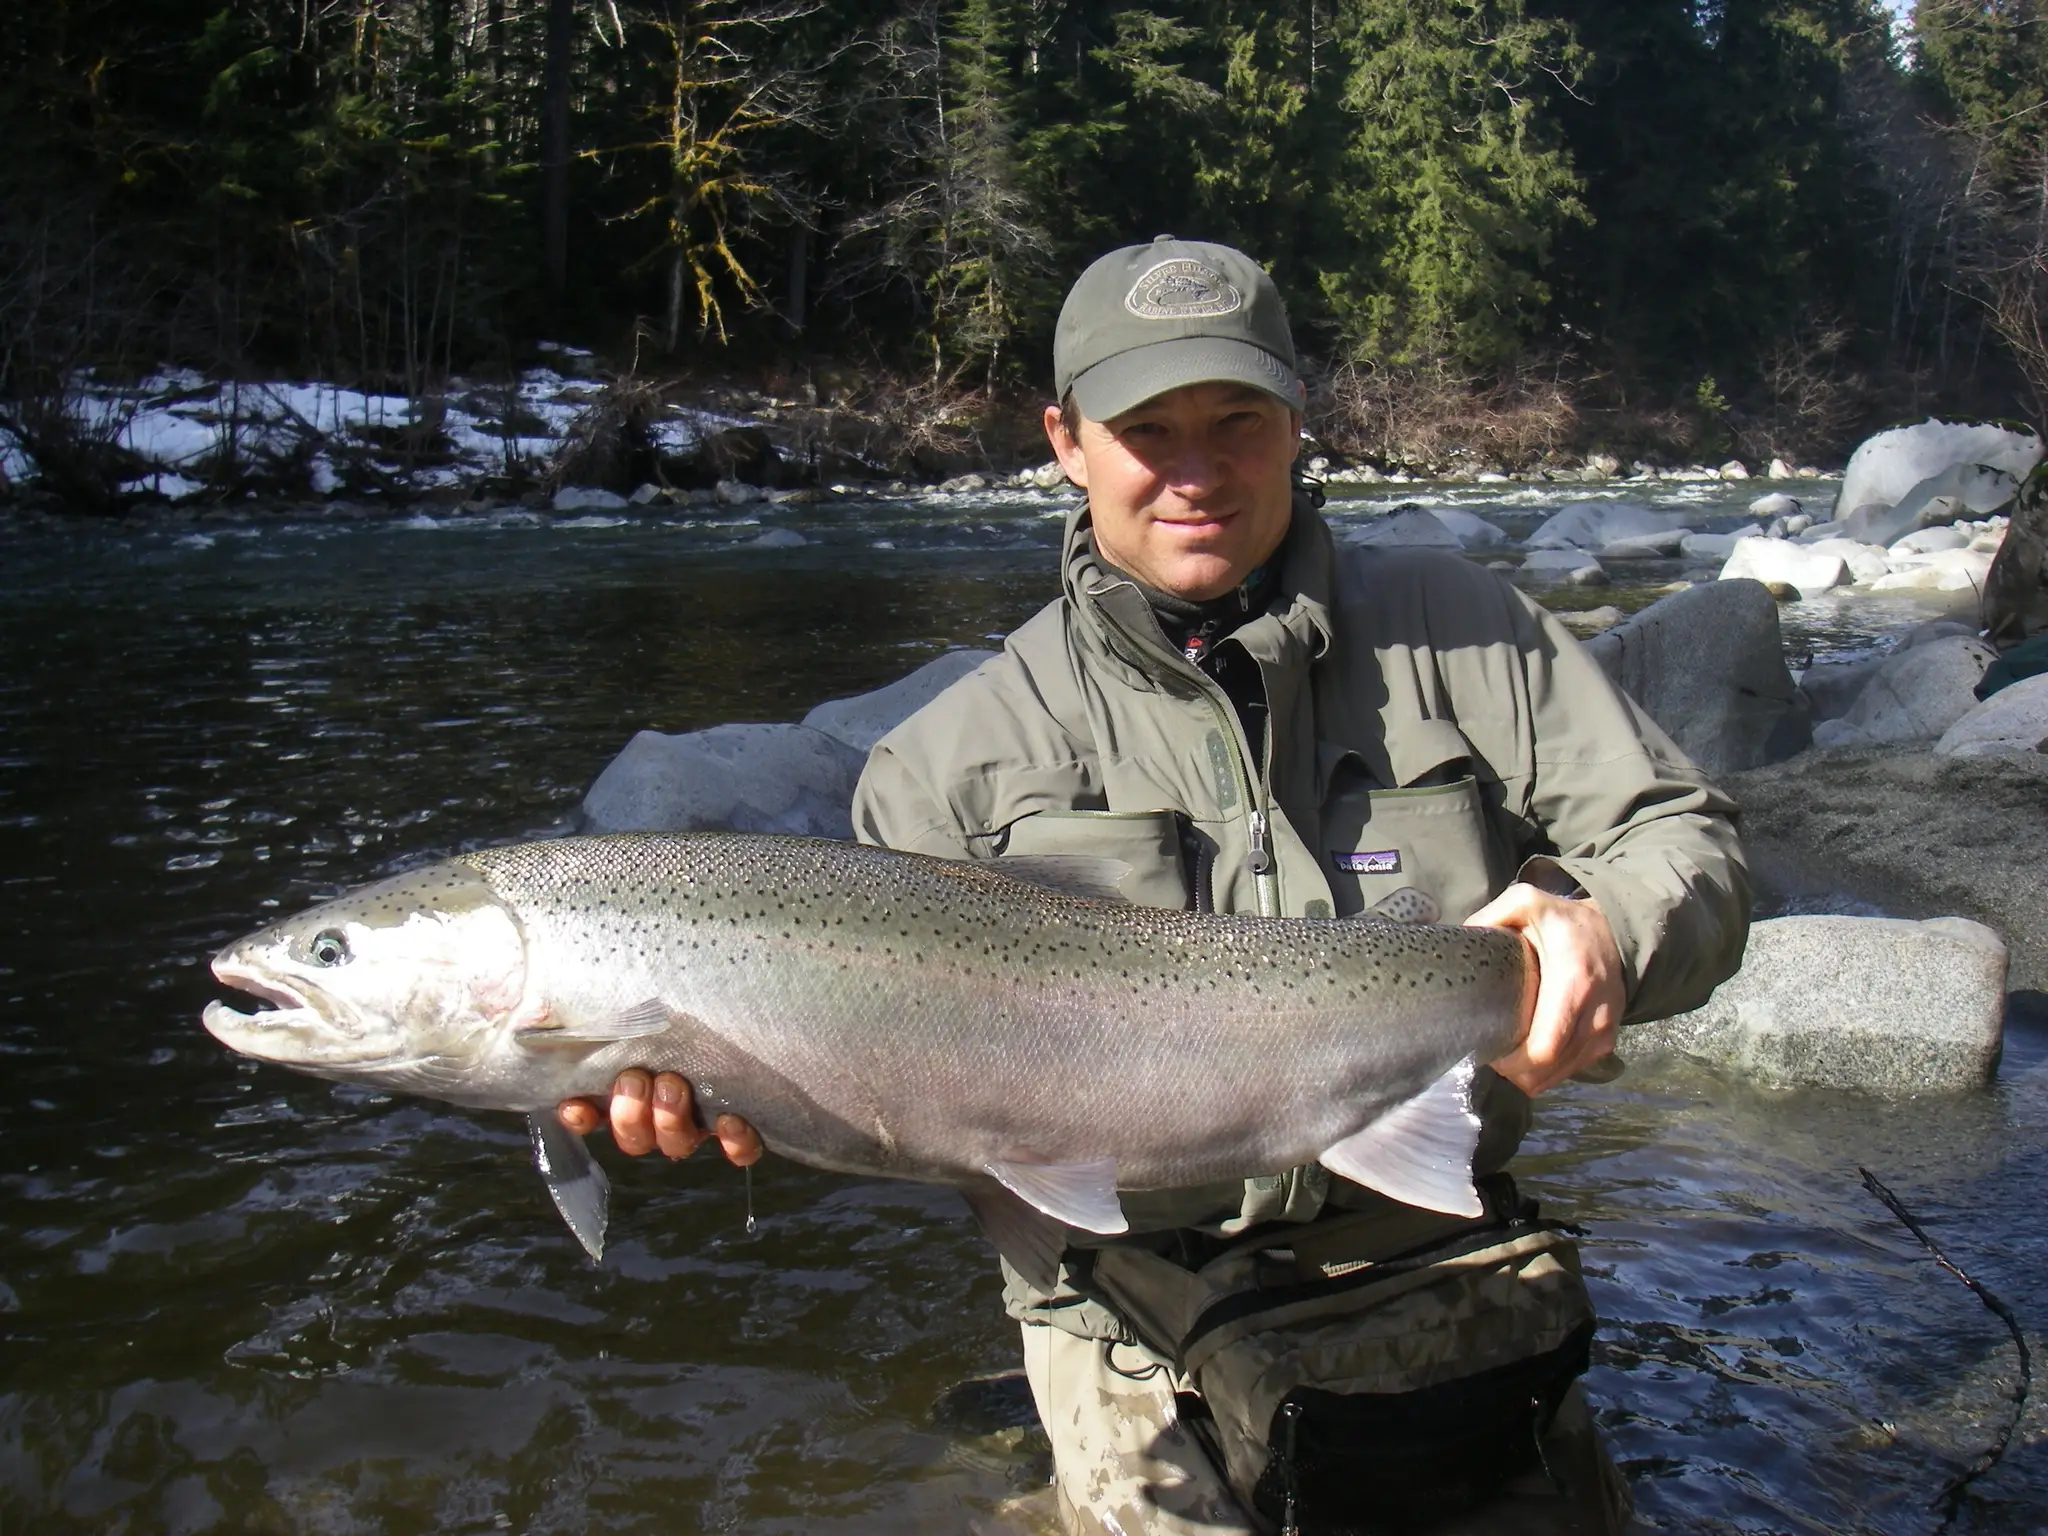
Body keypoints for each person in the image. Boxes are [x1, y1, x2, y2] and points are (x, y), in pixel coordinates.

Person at [560, 237, 1750, 1534]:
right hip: (1124, 1299)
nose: (1198, 470)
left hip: (1435, 1250)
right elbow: (883, 1090)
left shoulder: (1470, 634)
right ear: (1066, 439)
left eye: (1238, 420)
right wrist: (732, 1091)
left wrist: (1608, 935)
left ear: (1297, 424)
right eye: (1147, 429)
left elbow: (1683, 840)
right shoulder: (948, 769)